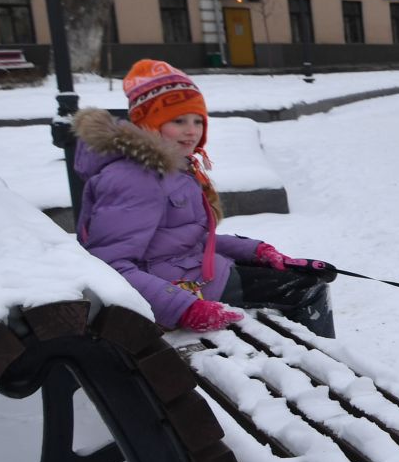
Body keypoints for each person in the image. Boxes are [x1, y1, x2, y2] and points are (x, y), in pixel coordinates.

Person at [73, 60, 335, 336]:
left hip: (188, 273)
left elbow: (183, 242)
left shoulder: (168, 169)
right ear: (149, 122)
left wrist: (256, 252)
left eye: (198, 120)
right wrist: (185, 308)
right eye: (179, 120)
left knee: (301, 278)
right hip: (180, 288)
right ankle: (326, 373)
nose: (192, 130)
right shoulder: (136, 178)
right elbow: (110, 265)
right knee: (309, 290)